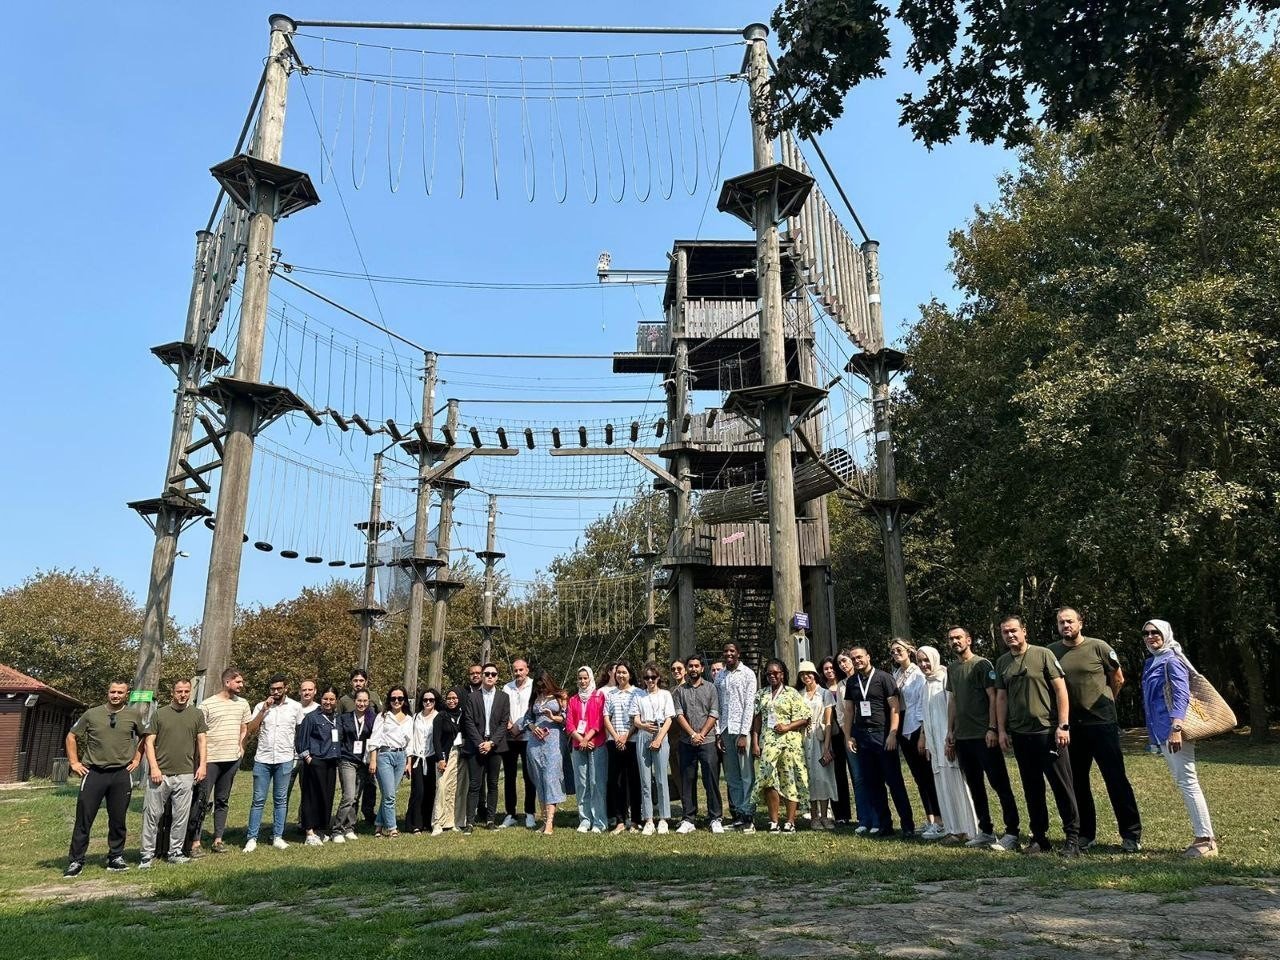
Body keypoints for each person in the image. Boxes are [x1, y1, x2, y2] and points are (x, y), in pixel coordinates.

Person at [1050, 606, 1142, 853]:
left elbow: (1118, 678)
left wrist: (1106, 702)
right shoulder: (1052, 652)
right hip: (1072, 728)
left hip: (1102, 725)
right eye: (1061, 623)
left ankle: (1131, 835)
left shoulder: (1099, 646)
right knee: (1078, 783)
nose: (1065, 626)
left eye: (1069, 621)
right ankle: (1086, 835)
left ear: (1080, 622)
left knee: (1115, 780)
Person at [995, 615, 1081, 857]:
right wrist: (1001, 730)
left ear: (1024, 631)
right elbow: (1001, 699)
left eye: (1013, 630)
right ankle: (1039, 838)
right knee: (1032, 789)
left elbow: (1060, 689)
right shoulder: (1002, 663)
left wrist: (1063, 725)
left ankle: (1072, 839)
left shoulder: (1043, 654)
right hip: (1021, 735)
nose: (1010, 635)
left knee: (1062, 787)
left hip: (1047, 732)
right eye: (1005, 632)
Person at [1140, 619, 1218, 858]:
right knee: (1184, 781)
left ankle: (1206, 840)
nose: (1151, 637)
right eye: (1146, 633)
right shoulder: (1152, 661)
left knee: (1188, 781)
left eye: (1156, 633)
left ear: (1165, 634)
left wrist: (1176, 727)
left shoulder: (1172, 660)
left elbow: (1182, 694)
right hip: (1162, 730)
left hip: (1174, 730)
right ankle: (1203, 836)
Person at [943, 625, 1021, 851]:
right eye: (951, 639)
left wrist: (993, 728)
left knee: (999, 784)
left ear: (969, 639)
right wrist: (950, 730)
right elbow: (953, 701)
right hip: (963, 737)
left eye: (959, 637)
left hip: (984, 736)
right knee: (975, 786)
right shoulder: (952, 669)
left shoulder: (982, 665)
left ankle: (1012, 832)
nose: (955, 642)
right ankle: (985, 830)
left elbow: (994, 696)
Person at [64, 680, 145, 876]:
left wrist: (136, 759)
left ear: (126, 694)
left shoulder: (133, 715)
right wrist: (74, 763)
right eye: (112, 692)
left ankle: (115, 857)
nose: (115, 695)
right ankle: (76, 861)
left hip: (121, 774)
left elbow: (145, 737)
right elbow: (71, 736)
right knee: (84, 818)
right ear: (107, 693)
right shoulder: (92, 714)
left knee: (118, 818)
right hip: (94, 773)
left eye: (120, 692)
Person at [841, 646, 915, 838]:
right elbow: (849, 711)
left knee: (894, 781)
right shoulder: (852, 682)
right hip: (862, 737)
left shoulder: (884, 678)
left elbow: (894, 708)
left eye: (860, 657)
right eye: (854, 658)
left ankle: (907, 825)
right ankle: (885, 825)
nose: (857, 661)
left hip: (882, 735)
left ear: (868, 657)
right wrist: (848, 736)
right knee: (873, 783)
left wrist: (892, 734)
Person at [139, 679, 207, 869]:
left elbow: (202, 741)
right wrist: (153, 767)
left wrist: (202, 765)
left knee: (181, 816)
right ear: (172, 693)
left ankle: (175, 851)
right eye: (179, 691)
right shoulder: (160, 714)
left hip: (185, 773)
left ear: (190, 693)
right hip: (160, 774)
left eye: (186, 691)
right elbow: (149, 742)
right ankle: (146, 854)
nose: (183, 695)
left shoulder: (196, 714)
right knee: (152, 815)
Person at [916, 646, 978, 845]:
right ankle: (952, 829)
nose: (924, 665)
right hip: (934, 744)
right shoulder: (925, 684)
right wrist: (926, 741)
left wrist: (950, 738)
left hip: (948, 741)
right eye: (920, 661)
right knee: (942, 786)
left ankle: (968, 829)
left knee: (958, 785)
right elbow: (926, 715)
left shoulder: (944, 678)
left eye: (927, 660)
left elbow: (953, 709)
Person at [189, 666, 251, 856]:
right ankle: (195, 842)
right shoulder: (207, 705)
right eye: (238, 681)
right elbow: (199, 733)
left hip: (231, 760)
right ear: (227, 682)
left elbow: (244, 728)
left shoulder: (243, 704)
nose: (241, 685)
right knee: (201, 800)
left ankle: (218, 839)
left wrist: (241, 748)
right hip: (210, 760)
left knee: (222, 800)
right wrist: (200, 760)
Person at [243, 674, 306, 852]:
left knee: (280, 799)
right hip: (263, 759)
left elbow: (300, 732)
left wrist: (297, 755)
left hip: (285, 759)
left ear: (286, 688)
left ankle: (278, 836)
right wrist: (263, 710)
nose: (276, 692)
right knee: (258, 799)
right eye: (273, 689)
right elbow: (250, 729)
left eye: (279, 688)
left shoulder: (296, 707)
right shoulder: (260, 706)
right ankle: (252, 837)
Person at [891, 639, 943, 838]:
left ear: (908, 651)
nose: (896, 653)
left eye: (899, 650)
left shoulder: (918, 672)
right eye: (893, 651)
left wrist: (923, 735)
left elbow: (924, 702)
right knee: (918, 777)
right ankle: (930, 819)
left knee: (928, 776)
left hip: (918, 726)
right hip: (904, 728)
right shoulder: (896, 674)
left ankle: (939, 819)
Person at [751, 659, 809, 834]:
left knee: (789, 779)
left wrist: (787, 727)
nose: (772, 676)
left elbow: (805, 718)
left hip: (789, 743)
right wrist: (755, 742)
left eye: (775, 673)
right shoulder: (761, 694)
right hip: (768, 742)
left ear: (782, 674)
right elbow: (757, 721)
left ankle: (790, 821)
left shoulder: (792, 693)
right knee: (769, 780)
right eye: (768, 674)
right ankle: (774, 821)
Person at [673, 655, 723, 834]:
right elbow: (679, 715)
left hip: (707, 741)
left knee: (711, 780)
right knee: (687, 779)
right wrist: (692, 734)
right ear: (687, 669)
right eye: (690, 666)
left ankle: (715, 817)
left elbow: (714, 713)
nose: (693, 669)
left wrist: (701, 734)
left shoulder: (711, 688)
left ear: (702, 668)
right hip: (686, 741)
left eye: (696, 666)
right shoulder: (680, 691)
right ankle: (688, 818)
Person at [462, 663, 511, 832]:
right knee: (474, 785)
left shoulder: (504, 698)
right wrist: (480, 743)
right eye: (487, 673)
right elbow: (468, 721)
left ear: (497, 677)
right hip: (476, 746)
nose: (490, 676)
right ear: (482, 676)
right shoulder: (472, 697)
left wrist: (491, 743)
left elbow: (504, 723)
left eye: (493, 674)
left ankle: (490, 820)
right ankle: (470, 822)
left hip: (495, 747)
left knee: (493, 784)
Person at [715, 642, 758, 831]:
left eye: (732, 651)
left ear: (738, 654)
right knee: (732, 776)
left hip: (741, 731)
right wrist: (718, 733)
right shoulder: (720, 677)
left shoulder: (748, 674)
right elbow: (717, 706)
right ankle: (738, 814)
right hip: (725, 730)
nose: (728, 654)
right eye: (725, 651)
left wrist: (743, 733)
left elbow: (750, 705)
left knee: (746, 774)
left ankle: (749, 815)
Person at [520, 669, 567, 835]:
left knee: (550, 778)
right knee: (538, 778)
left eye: (543, 686)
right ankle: (543, 820)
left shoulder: (559, 696)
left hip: (553, 741)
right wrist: (533, 727)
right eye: (538, 687)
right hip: (534, 743)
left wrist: (553, 717)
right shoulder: (535, 698)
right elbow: (526, 719)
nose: (541, 689)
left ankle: (550, 823)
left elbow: (567, 718)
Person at [631, 662, 675, 835]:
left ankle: (664, 818)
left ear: (658, 678)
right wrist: (642, 726)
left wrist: (659, 738)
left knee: (662, 778)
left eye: (653, 677)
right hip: (643, 734)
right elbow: (635, 719)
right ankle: (648, 818)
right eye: (647, 677)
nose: (650, 680)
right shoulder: (638, 695)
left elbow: (669, 719)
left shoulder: (665, 695)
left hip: (660, 732)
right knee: (645, 779)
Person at [296, 686, 342, 844]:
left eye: (331, 699)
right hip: (316, 762)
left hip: (331, 762)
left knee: (326, 796)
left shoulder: (337, 717)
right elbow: (301, 740)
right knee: (311, 797)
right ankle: (309, 831)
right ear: (320, 699)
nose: (328, 702)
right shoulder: (311, 717)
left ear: (336, 701)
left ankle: (320, 829)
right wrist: (309, 759)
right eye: (325, 699)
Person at [566, 665, 607, 832]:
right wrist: (581, 739)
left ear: (591, 679)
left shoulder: (599, 696)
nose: (583, 681)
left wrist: (587, 738)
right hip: (578, 745)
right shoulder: (573, 699)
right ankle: (584, 819)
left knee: (596, 783)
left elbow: (599, 721)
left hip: (596, 744)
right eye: (580, 678)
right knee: (581, 783)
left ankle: (599, 821)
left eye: (585, 678)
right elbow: (569, 724)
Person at [368, 686, 413, 837]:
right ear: (389, 700)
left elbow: (410, 743)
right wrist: (373, 760)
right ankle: (392, 827)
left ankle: (378, 826)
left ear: (404, 700)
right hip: (384, 756)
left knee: (390, 793)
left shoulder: (408, 719)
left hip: (401, 757)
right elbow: (374, 739)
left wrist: (408, 762)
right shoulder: (383, 716)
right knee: (389, 795)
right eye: (393, 698)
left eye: (400, 698)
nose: (396, 701)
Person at [836, 651, 874, 830]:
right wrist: (848, 736)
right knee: (858, 777)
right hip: (850, 734)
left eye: (845, 660)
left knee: (872, 776)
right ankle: (863, 819)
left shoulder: (866, 679)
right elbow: (841, 714)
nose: (843, 665)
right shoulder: (841, 685)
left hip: (869, 732)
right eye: (840, 663)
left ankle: (876, 817)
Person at [603, 660, 643, 833]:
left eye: (624, 672)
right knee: (617, 782)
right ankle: (620, 820)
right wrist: (616, 736)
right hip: (614, 742)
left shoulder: (639, 693)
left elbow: (638, 719)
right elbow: (606, 717)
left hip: (633, 742)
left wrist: (627, 736)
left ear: (630, 674)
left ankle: (635, 820)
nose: (620, 675)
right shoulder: (610, 694)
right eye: (618, 672)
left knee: (634, 781)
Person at [798, 660, 837, 829]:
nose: (806, 676)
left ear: (814, 674)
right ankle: (813, 816)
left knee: (823, 777)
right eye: (802, 674)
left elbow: (828, 721)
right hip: (803, 738)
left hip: (820, 738)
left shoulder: (825, 693)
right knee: (809, 778)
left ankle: (824, 815)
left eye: (809, 673)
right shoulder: (798, 695)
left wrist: (827, 747)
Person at [339, 670, 380, 827]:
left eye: (361, 680)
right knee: (352, 791)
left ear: (366, 681)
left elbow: (380, 718)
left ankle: (369, 813)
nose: (358, 683)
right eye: (355, 680)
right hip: (349, 753)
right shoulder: (344, 701)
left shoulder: (374, 697)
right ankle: (350, 822)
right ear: (351, 682)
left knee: (370, 785)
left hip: (368, 752)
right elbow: (339, 723)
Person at [501, 658, 537, 829]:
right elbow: (502, 708)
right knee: (509, 776)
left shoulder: (534, 686)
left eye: (521, 670)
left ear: (527, 670)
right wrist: (510, 726)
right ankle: (510, 814)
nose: (518, 673)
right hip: (509, 737)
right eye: (515, 670)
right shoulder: (507, 687)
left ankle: (530, 813)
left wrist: (521, 727)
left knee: (529, 776)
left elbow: (534, 709)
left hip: (528, 736)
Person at [335, 689, 373, 841]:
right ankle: (336, 830)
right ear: (354, 701)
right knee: (349, 795)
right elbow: (338, 738)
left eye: (365, 701)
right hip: (347, 760)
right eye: (359, 700)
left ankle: (349, 827)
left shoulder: (372, 719)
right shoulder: (344, 718)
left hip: (363, 762)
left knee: (356, 796)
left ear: (369, 702)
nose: (362, 704)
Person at [406, 688, 442, 834]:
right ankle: (414, 824)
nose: (428, 702)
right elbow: (410, 739)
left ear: (435, 702)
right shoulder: (415, 717)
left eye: (431, 700)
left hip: (433, 757)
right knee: (418, 791)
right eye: (425, 700)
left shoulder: (439, 717)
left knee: (430, 791)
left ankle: (427, 822)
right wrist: (408, 761)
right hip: (417, 758)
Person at [431, 688, 466, 836]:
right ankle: (438, 822)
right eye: (449, 698)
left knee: (458, 788)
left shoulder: (464, 715)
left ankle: (455, 821)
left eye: (455, 698)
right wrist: (440, 758)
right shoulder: (441, 717)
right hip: (446, 755)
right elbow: (436, 740)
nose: (452, 701)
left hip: (462, 755)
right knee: (442, 787)